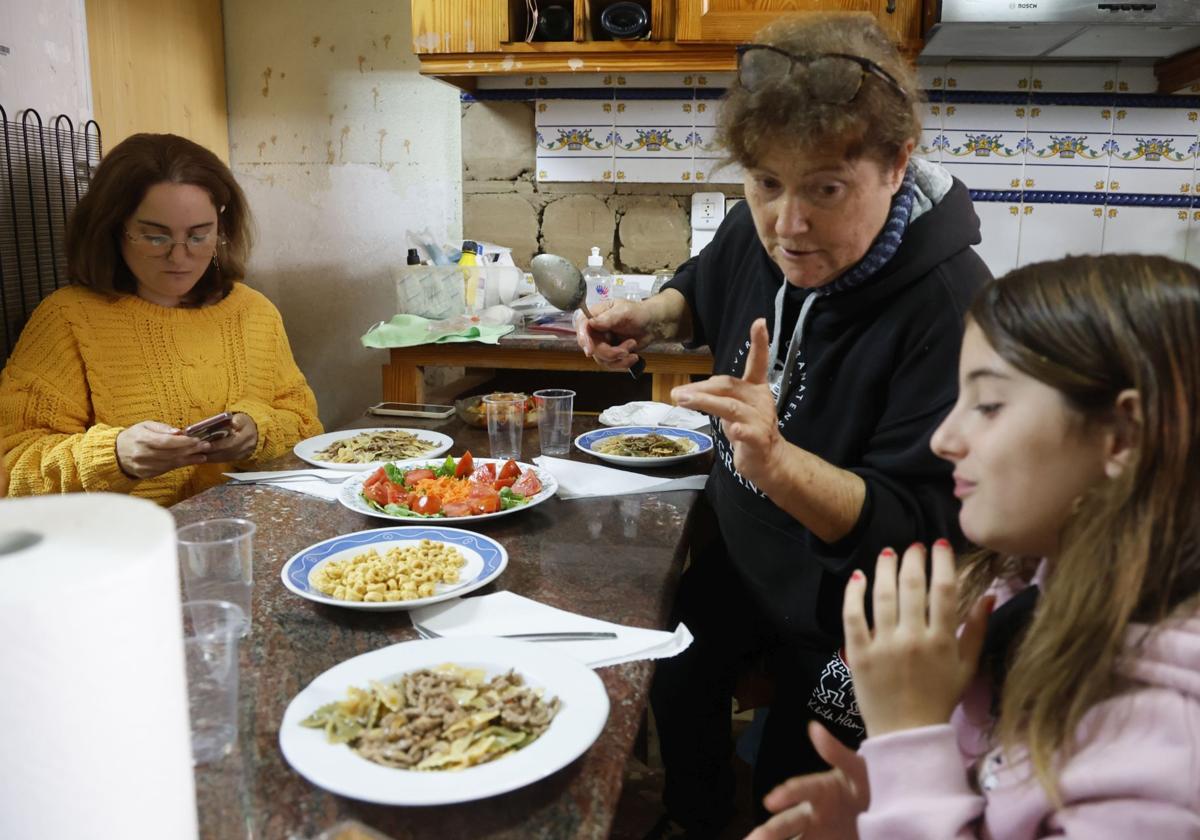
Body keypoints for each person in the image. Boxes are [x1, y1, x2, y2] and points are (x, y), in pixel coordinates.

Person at [575, 12, 991, 837]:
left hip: (856, 610)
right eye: (766, 183)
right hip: (750, 562)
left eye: (825, 190)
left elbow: (916, 528)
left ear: (897, 164)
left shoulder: (950, 309)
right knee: (674, 678)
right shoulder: (762, 224)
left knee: (786, 798)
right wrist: (649, 316)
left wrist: (775, 462)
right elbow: (705, 276)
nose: (788, 224)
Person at [747, 253, 1200, 840]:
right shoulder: (1021, 590)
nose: (943, 439)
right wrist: (881, 811)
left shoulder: (1163, 750)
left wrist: (909, 747)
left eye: (987, 404)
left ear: (1123, 436)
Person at [0, 133, 322, 506]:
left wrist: (257, 432)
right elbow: (12, 467)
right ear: (113, 229)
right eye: (155, 238)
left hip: (252, 530)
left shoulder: (254, 313)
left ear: (221, 227)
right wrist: (115, 457)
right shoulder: (68, 319)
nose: (179, 257)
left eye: (199, 236)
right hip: (132, 549)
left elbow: (306, 426)